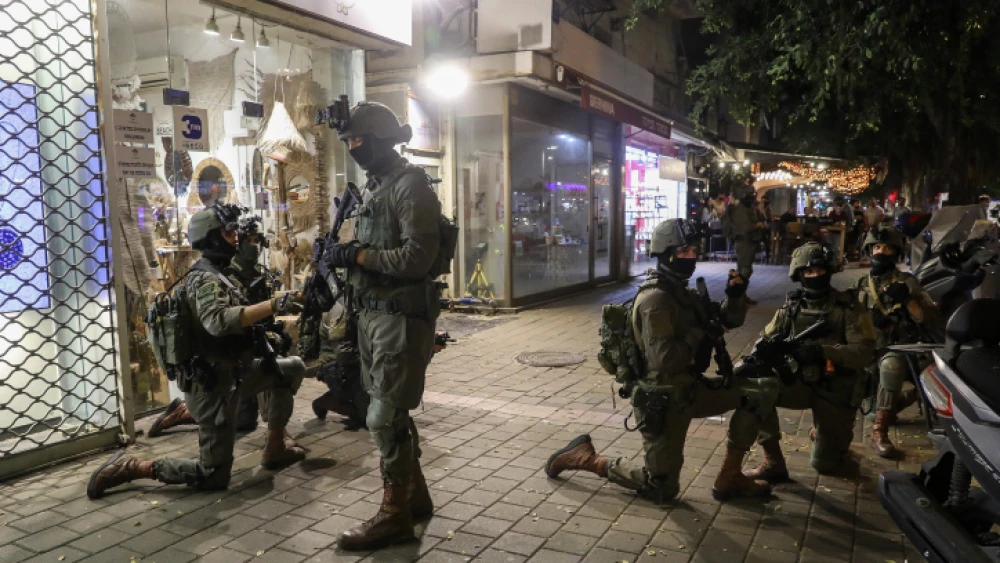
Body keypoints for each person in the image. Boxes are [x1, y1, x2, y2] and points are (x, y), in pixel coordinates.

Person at [86, 205, 309, 499]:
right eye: (228, 233)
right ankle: (134, 467)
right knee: (212, 476)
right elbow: (217, 322)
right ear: (211, 238)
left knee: (288, 370)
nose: (236, 239)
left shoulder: (223, 274)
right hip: (213, 387)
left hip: (236, 375)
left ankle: (276, 446)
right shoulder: (205, 279)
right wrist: (273, 306)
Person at [544, 219, 767, 502]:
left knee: (757, 394)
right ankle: (585, 459)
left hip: (690, 389)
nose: (690, 257)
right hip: (662, 400)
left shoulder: (682, 292)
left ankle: (731, 477)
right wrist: (702, 333)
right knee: (661, 487)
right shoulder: (656, 300)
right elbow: (665, 360)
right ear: (665, 253)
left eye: (693, 251)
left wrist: (735, 297)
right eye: (683, 251)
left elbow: (726, 320)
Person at [321, 101, 442, 550]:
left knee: (382, 418)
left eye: (357, 141)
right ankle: (416, 498)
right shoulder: (376, 186)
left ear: (379, 139)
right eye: (348, 141)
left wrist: (356, 255)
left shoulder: (411, 187)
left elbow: (417, 258)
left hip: (400, 318)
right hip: (372, 316)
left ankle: (394, 516)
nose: (352, 148)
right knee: (390, 413)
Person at [714, 242, 877, 494]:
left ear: (829, 271)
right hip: (798, 383)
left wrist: (822, 351)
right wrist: (763, 351)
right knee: (755, 389)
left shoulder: (848, 307)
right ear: (799, 275)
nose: (814, 276)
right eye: (807, 272)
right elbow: (766, 338)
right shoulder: (791, 307)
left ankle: (825, 434)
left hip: (836, 389)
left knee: (825, 465)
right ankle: (773, 461)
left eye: (819, 270)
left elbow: (864, 352)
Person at [147, 218, 283, 437]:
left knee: (249, 417)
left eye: (257, 240)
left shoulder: (256, 273)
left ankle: (275, 439)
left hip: (239, 354)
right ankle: (187, 412)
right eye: (247, 239)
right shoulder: (220, 274)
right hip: (218, 365)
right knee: (235, 430)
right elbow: (219, 321)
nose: (253, 245)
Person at [854, 225, 943, 457]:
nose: (880, 252)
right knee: (870, 408)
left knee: (891, 366)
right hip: (868, 353)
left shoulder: (907, 282)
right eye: (876, 247)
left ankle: (879, 432)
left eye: (886, 248)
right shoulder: (862, 284)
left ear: (895, 252)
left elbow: (928, 319)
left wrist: (906, 300)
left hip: (898, 348)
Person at [724, 183, 765, 305]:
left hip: (749, 242)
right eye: (750, 195)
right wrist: (757, 225)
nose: (753, 198)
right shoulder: (741, 210)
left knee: (745, 269)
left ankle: (741, 294)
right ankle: (737, 295)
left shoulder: (746, 208)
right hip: (744, 242)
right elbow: (745, 228)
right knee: (744, 270)